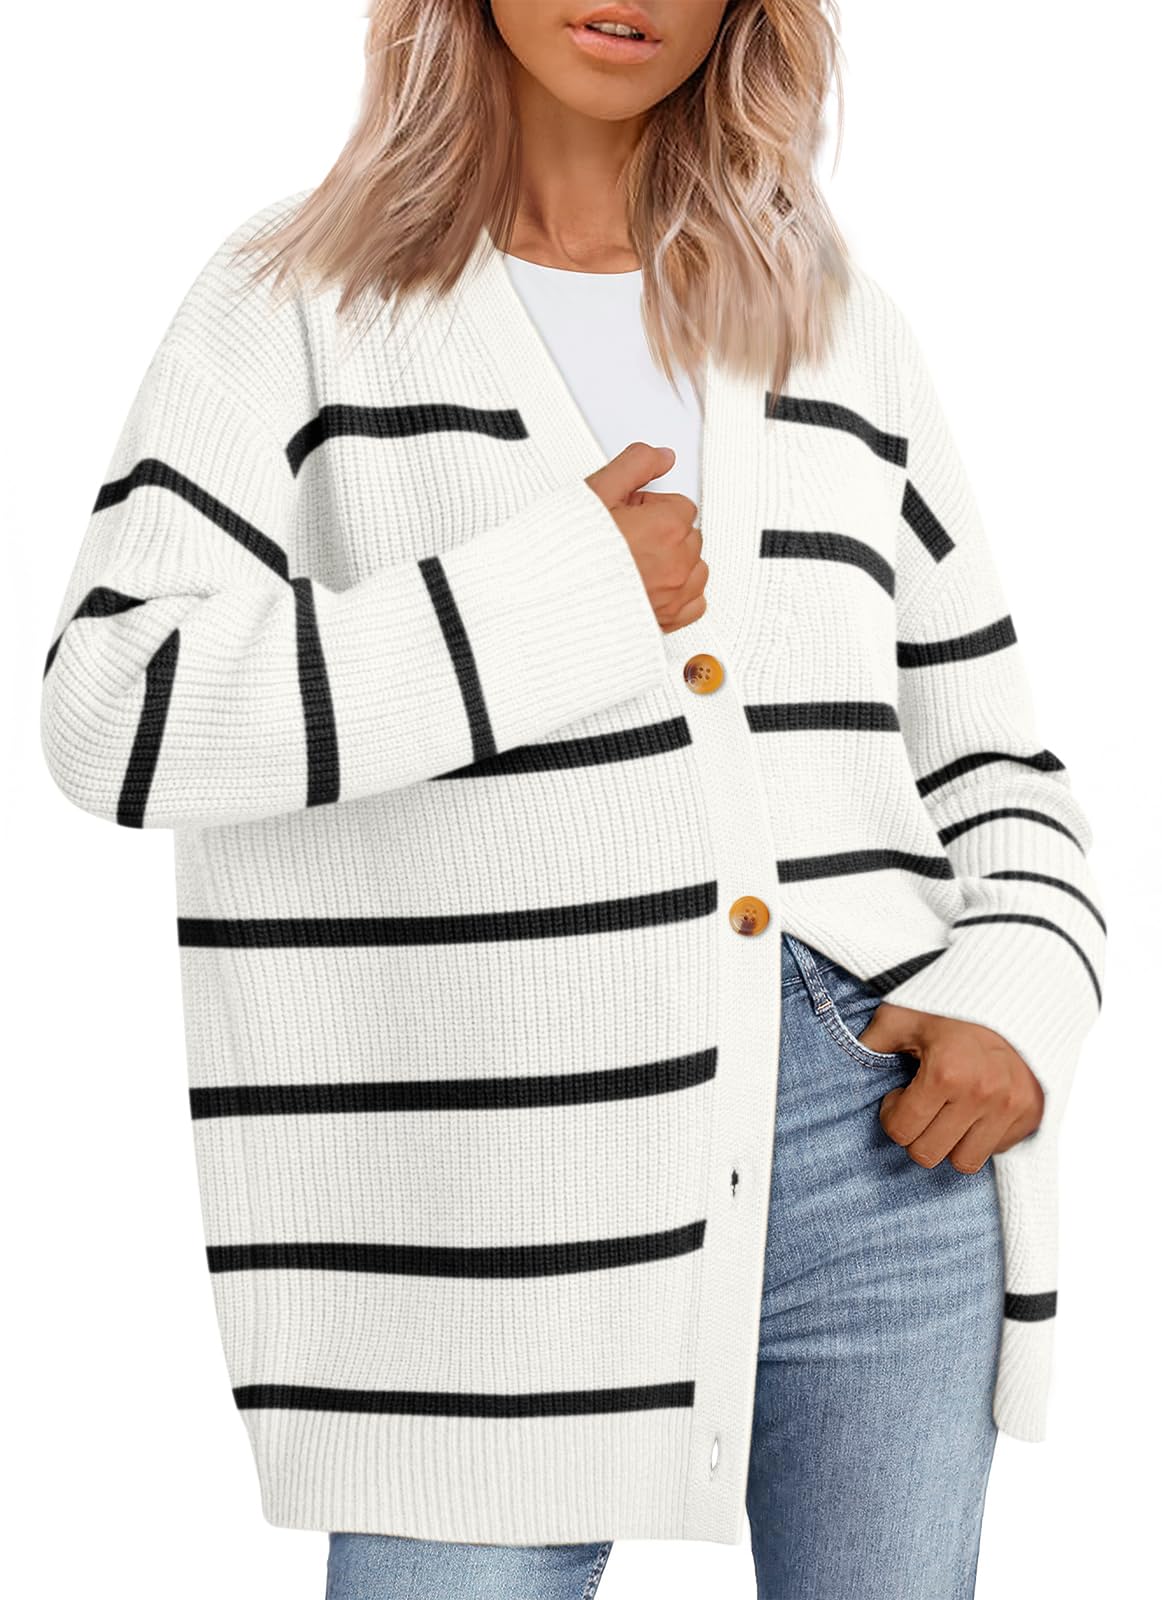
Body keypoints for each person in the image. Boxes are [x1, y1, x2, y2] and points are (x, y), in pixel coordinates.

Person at [38, 2, 1106, 1596]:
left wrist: (1021, 989)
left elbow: (997, 768)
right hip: (471, 1213)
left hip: (876, 1152)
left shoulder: (831, 324)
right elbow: (115, 711)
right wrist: (558, 599)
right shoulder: (293, 304)